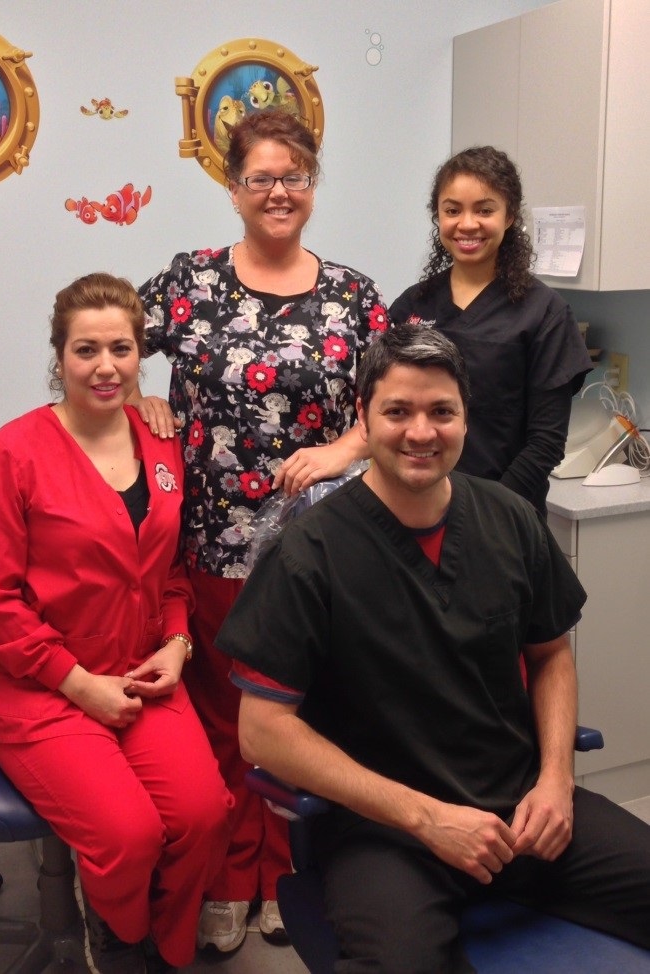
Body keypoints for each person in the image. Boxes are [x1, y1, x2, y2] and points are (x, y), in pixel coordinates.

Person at [217, 325, 650, 973]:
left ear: (464, 418)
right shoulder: (310, 553)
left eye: (440, 411)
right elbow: (263, 732)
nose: (420, 432)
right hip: (387, 834)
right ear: (364, 417)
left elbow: (551, 655)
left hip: (524, 805)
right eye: (397, 411)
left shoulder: (509, 521)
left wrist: (556, 780)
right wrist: (425, 819)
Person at [136, 109, 389, 953]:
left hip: (315, 547)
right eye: (260, 178)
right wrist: (139, 398)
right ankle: (224, 878)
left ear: (311, 185)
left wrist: (342, 447)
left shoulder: (352, 295)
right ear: (231, 187)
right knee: (218, 715)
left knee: (294, 715)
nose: (278, 192)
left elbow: (387, 408)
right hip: (210, 538)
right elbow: (103, 341)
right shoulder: (191, 280)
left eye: (294, 176)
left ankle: (282, 872)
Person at [0, 273, 233, 974]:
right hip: (41, 686)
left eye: (120, 348)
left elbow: (169, 570)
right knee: (130, 833)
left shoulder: (161, 442)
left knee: (203, 814)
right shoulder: (12, 452)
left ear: (141, 353)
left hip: (142, 671)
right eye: (86, 350)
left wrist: (176, 643)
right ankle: (120, 937)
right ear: (59, 357)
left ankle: (166, 946)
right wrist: (78, 684)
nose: (105, 366)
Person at [389, 145, 592, 515]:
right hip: (417, 509)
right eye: (452, 210)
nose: (467, 224)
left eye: (484, 209)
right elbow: (389, 413)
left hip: (505, 514)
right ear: (438, 215)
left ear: (510, 215)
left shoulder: (544, 313)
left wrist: (486, 512)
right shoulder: (412, 306)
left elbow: (545, 442)